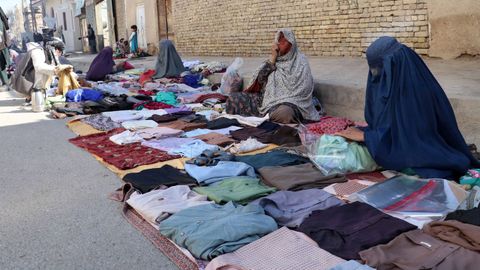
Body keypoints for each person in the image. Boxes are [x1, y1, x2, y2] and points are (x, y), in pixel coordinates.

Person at [336, 36, 479, 179]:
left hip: (423, 147)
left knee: (427, 171)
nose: (374, 74)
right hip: (401, 141)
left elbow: (414, 139)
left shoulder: (413, 91)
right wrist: (368, 134)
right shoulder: (394, 79)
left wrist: (368, 137)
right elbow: (388, 123)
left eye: (377, 68)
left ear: (389, 65)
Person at [226, 29, 320, 123]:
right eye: (279, 41)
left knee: (285, 113)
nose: (280, 45)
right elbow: (259, 81)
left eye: (284, 42)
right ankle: (264, 118)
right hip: (265, 102)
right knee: (233, 98)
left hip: (290, 103)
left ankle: (264, 119)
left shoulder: (301, 62)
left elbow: (304, 89)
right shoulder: (273, 61)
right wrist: (272, 60)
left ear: (292, 45)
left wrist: (284, 98)